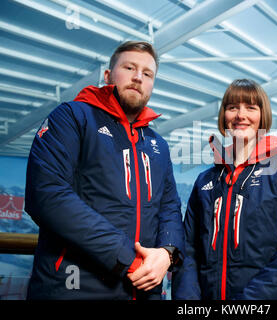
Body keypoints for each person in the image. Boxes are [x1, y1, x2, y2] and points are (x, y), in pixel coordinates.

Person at [25, 41, 184, 300]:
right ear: (108, 75)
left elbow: (169, 207)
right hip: (74, 288)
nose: (137, 77)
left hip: (143, 289)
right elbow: (47, 195)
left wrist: (167, 253)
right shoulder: (72, 117)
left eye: (147, 73)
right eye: (129, 67)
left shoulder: (158, 144)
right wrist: (128, 260)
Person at [172, 79, 277, 300]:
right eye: (233, 107)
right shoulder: (206, 180)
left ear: (263, 116)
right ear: (224, 116)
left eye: (250, 108)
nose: (240, 115)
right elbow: (189, 250)